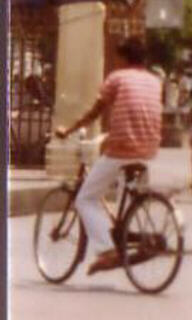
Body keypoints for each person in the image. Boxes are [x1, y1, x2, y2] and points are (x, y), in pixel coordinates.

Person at [54, 37, 163, 275]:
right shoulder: (155, 81)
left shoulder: (117, 78)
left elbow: (95, 111)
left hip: (123, 147)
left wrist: (69, 129)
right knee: (127, 196)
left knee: (85, 199)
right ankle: (124, 233)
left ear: (122, 58)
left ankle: (107, 249)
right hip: (148, 149)